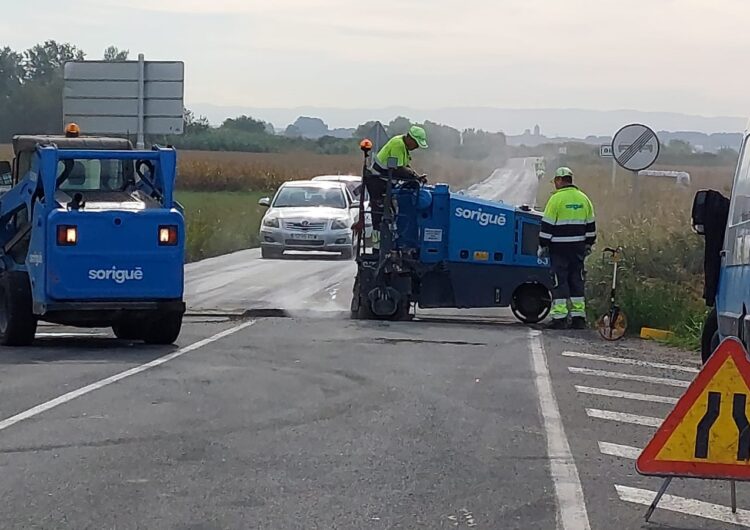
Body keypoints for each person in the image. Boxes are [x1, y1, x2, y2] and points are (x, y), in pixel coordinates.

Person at [538, 167, 596, 329]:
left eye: (555, 182)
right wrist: (588, 245)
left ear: (559, 180)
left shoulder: (556, 200)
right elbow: (591, 226)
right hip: (578, 250)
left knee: (559, 281)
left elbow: (547, 226)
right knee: (577, 280)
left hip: (559, 250)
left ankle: (560, 317)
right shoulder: (584, 199)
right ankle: (579, 317)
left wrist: (543, 245)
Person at [366, 126, 429, 251]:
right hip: (377, 183)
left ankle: (389, 244)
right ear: (410, 138)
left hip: (385, 183)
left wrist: (416, 177)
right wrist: (415, 177)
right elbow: (398, 169)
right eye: (416, 144)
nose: (416, 147)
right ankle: (378, 248)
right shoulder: (398, 144)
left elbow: (405, 167)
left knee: (391, 216)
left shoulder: (403, 147)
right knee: (379, 218)